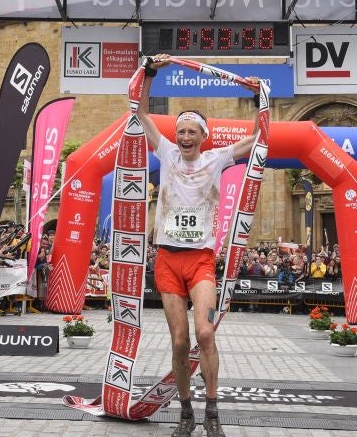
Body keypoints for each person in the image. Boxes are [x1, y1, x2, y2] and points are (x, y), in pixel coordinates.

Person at [137, 53, 260, 437]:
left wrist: (261, 101)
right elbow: (141, 113)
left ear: (204, 136)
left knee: (205, 334)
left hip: (201, 260)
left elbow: (260, 138)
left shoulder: (217, 158)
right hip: (168, 261)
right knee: (179, 340)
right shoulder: (166, 152)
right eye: (182, 131)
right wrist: (150, 73)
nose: (186, 137)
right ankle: (185, 412)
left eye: (193, 132)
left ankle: (212, 411)